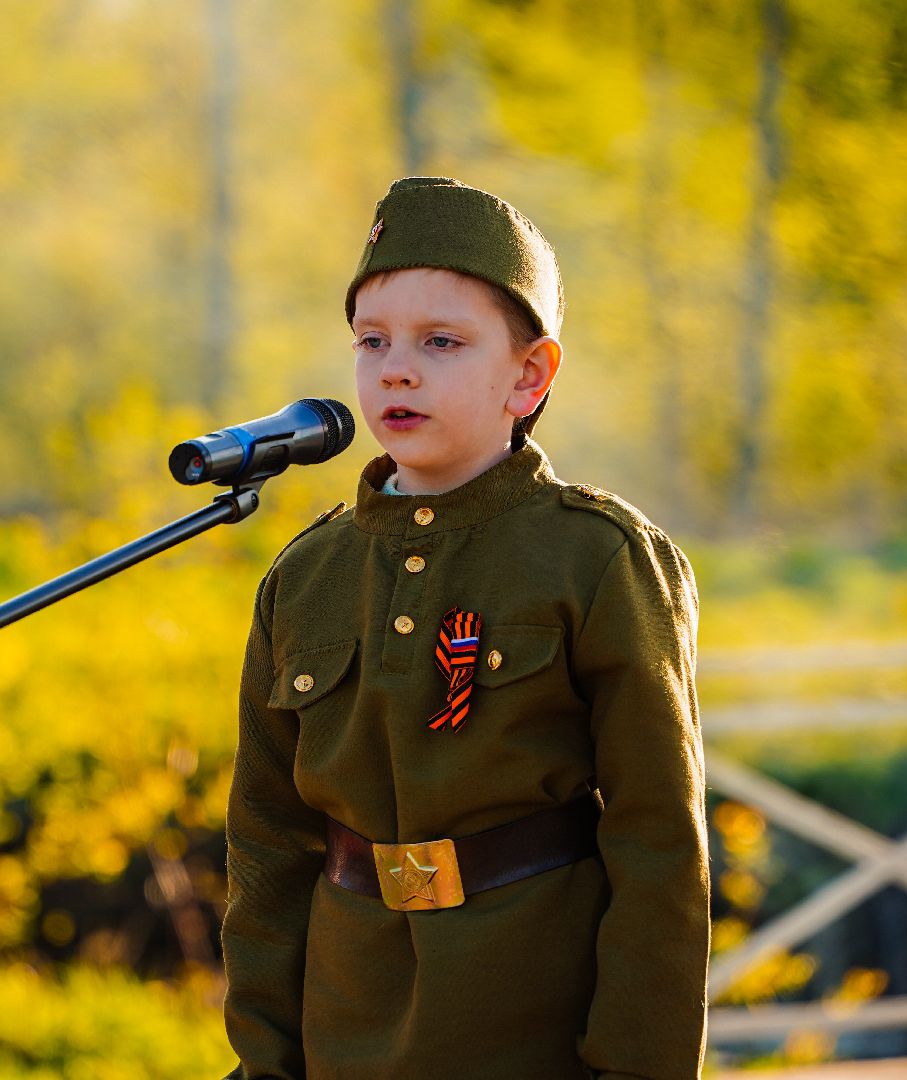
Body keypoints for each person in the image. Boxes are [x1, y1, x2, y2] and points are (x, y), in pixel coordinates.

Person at [220, 176, 708, 1080]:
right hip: (346, 1023)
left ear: (530, 375)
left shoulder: (595, 557)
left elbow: (658, 848)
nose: (396, 369)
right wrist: (264, 1060)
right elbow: (267, 848)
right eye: (373, 342)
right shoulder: (306, 576)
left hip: (531, 1023)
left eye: (441, 341)